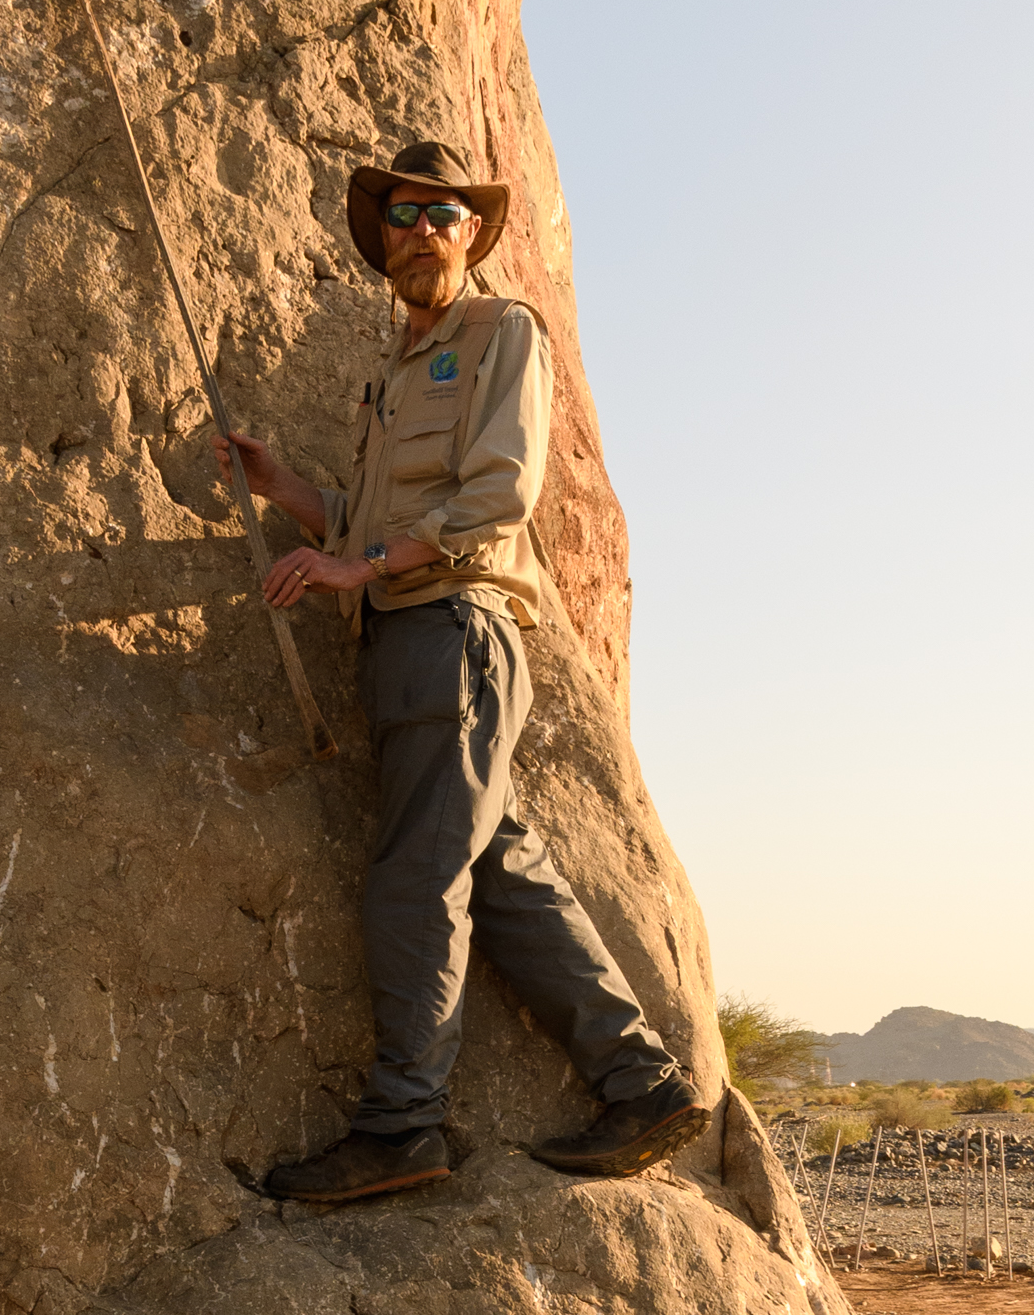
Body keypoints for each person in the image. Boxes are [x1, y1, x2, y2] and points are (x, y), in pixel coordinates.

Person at [216, 137, 709, 1206]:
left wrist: (361, 563)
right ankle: (640, 1084)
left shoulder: (503, 334)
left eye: (444, 214)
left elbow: (498, 496)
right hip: (405, 637)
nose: (425, 229)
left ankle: (403, 1125)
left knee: (412, 878)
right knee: (498, 866)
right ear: (381, 239)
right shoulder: (391, 373)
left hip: (453, 630)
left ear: (472, 234)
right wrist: (284, 491)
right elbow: (363, 519)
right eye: (403, 215)